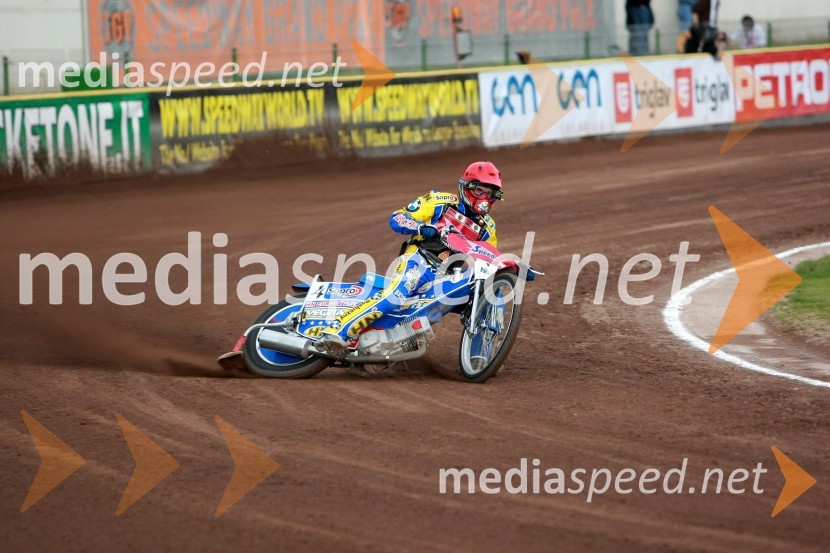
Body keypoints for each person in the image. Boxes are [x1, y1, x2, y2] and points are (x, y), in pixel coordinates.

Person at [317, 162, 503, 353]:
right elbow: (398, 217)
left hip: (446, 276)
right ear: (466, 186)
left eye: (491, 193)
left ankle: (481, 358)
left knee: (490, 295)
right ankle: (337, 331)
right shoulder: (441, 201)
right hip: (418, 261)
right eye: (481, 190)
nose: (485, 198)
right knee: (395, 297)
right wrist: (421, 228)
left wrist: (510, 269)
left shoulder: (488, 228)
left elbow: (488, 260)